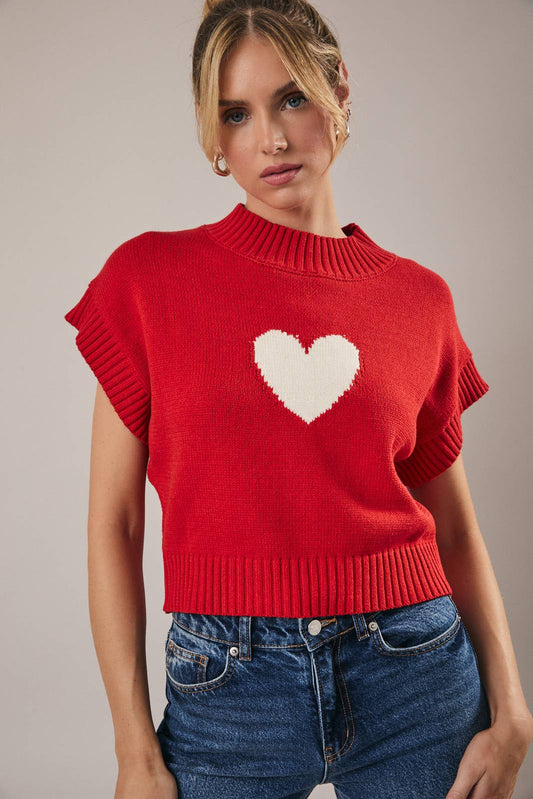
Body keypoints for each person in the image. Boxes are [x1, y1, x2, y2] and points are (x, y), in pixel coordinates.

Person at [64, 0, 533, 797]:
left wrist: (512, 707)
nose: (271, 139)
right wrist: (134, 749)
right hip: (226, 687)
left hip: (414, 672)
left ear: (338, 89)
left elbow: (452, 525)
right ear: (214, 137)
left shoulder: (419, 300)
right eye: (236, 114)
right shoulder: (145, 282)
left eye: (290, 98)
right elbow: (116, 523)